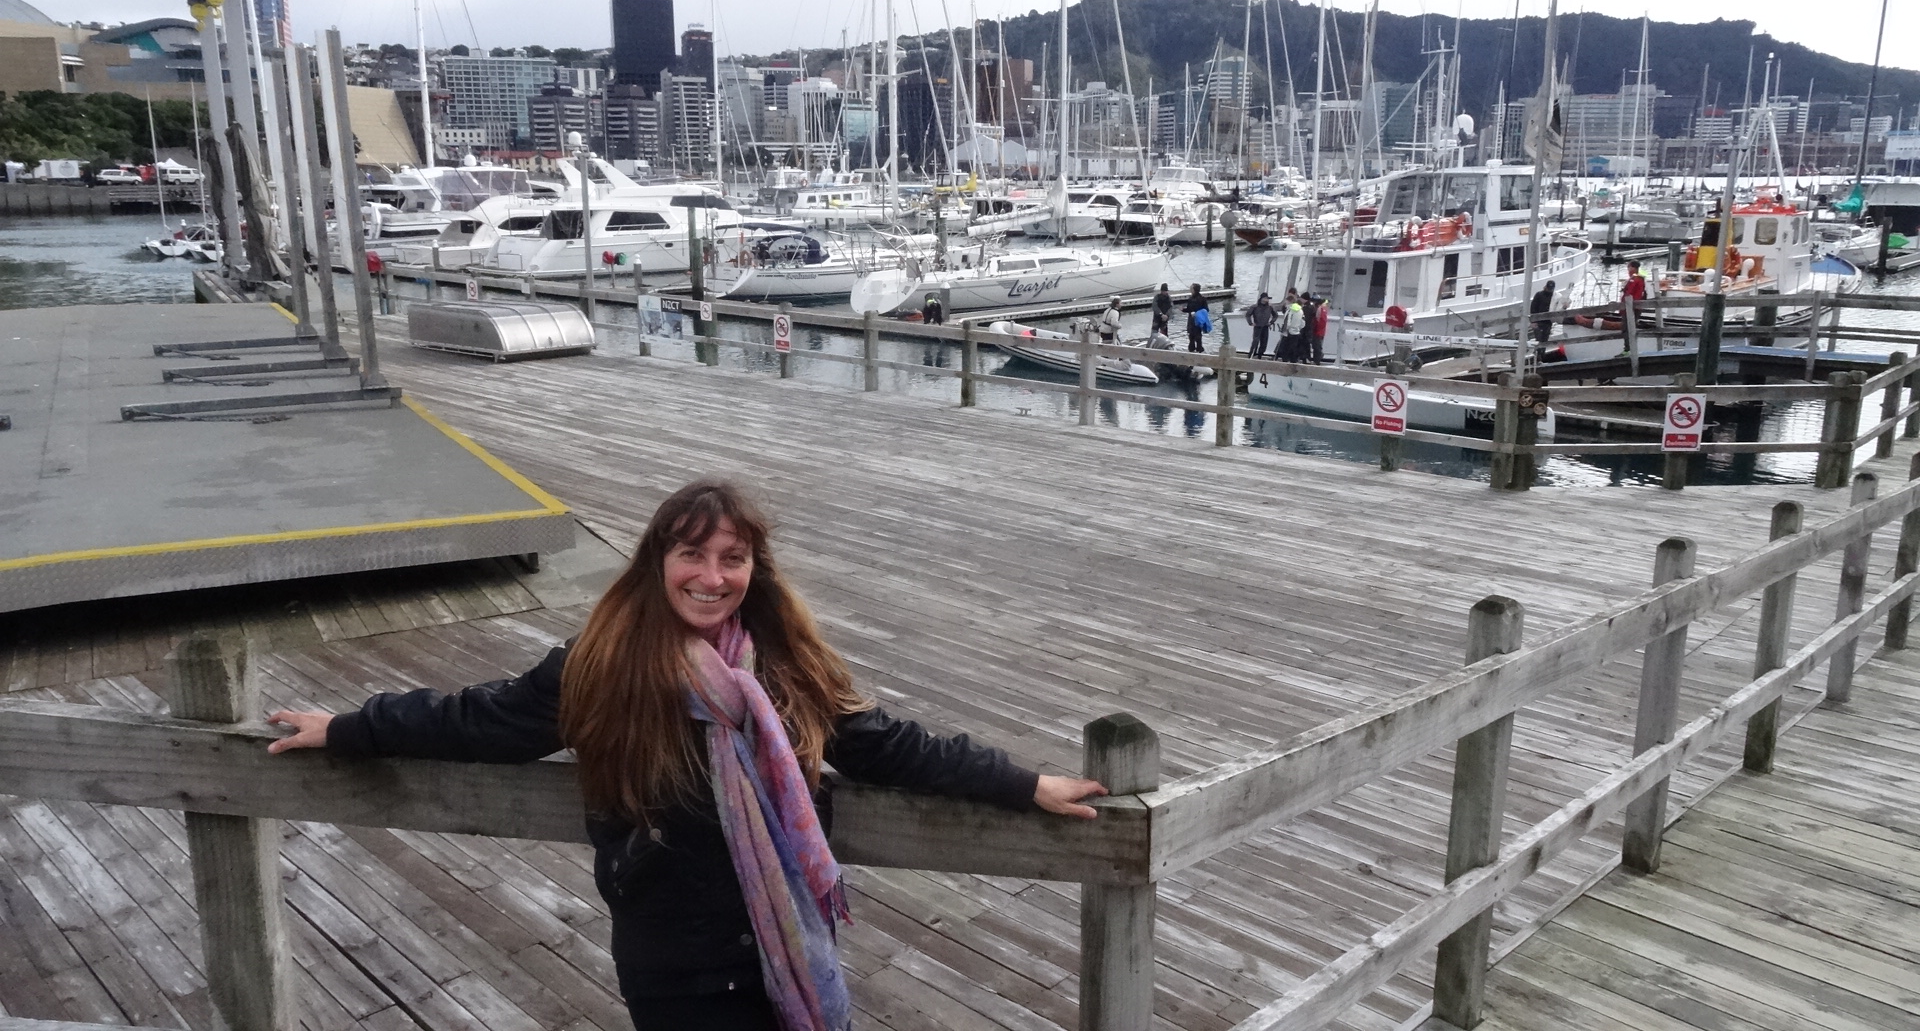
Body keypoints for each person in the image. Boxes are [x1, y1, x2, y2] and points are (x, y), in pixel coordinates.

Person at [267, 481, 1106, 1031]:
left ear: (754, 569)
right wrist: (349, 728)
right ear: (657, 564)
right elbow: (479, 722)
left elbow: (887, 746)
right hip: (677, 970)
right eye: (692, 555)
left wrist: (1022, 782)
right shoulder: (602, 666)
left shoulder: (785, 665)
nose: (712, 576)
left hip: (783, 952)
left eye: (731, 558)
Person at [1247, 292, 1276, 359]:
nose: (1267, 300)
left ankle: (1260, 355)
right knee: (1255, 342)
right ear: (1262, 298)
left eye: (1267, 299)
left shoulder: (1270, 307)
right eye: (1266, 298)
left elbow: (1275, 315)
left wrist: (1271, 322)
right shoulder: (1255, 307)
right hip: (1257, 326)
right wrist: (1250, 323)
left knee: (1264, 343)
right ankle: (1251, 355)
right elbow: (1248, 315)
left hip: (1265, 326)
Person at [1530, 279, 1557, 348]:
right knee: (1538, 340)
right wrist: (1533, 321)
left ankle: (1542, 353)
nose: (1550, 290)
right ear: (1546, 287)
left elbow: (1558, 308)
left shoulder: (1554, 297)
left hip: (1548, 322)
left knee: (1545, 340)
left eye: (1551, 289)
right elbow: (1533, 308)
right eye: (1549, 288)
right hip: (1538, 322)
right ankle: (1539, 353)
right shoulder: (1539, 295)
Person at [1183, 283, 1208, 353]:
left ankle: (1199, 349)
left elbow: (1206, 309)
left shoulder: (1202, 299)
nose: (1190, 289)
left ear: (1194, 290)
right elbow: (1189, 309)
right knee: (1191, 334)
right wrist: (1183, 310)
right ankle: (1192, 348)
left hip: (1198, 319)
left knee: (1198, 335)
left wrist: (1197, 313)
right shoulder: (1190, 299)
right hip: (1191, 319)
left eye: (1191, 288)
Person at [1280, 297, 1307, 362]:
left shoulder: (1290, 310)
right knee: (1293, 348)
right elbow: (1303, 322)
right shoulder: (1300, 311)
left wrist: (1287, 328)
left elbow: (1288, 320)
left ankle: (1285, 360)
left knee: (1285, 347)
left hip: (1287, 332)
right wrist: (1298, 328)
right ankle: (1293, 361)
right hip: (1296, 332)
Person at [1309, 296, 1330, 364]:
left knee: (1316, 346)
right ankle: (1317, 359)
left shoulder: (1320, 309)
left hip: (1317, 331)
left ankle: (1317, 360)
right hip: (1320, 331)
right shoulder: (1323, 309)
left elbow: (1320, 322)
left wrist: (1315, 328)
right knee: (1317, 346)